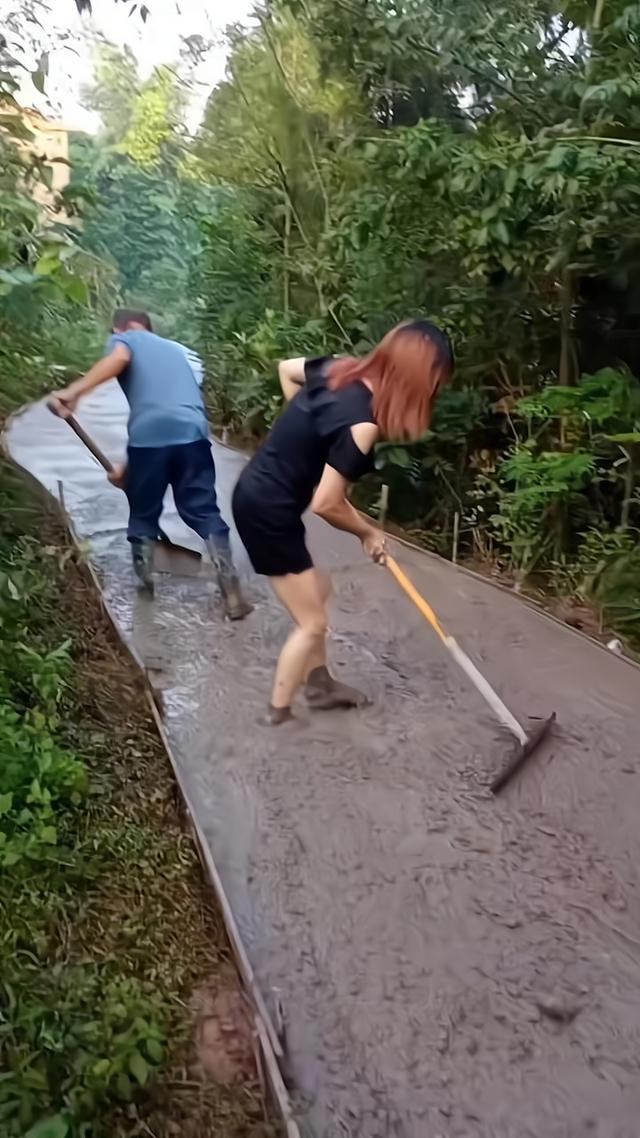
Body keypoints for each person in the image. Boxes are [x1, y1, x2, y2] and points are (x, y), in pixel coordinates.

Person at [232, 319, 454, 723]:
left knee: (319, 588)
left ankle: (320, 684)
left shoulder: (339, 369)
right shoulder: (362, 423)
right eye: (435, 382)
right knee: (312, 621)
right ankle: (277, 712)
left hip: (261, 495)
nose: (436, 392)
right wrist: (369, 532)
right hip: (267, 511)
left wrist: (302, 434)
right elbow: (327, 504)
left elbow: (285, 368)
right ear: (418, 378)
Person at [48, 309, 251, 620]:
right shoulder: (176, 351)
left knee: (143, 512)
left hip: (149, 438)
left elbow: (121, 363)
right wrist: (128, 470)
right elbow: (168, 408)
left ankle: (145, 595)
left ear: (119, 328)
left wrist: (73, 392)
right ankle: (232, 590)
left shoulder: (125, 339)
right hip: (193, 432)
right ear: (150, 328)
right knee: (203, 510)